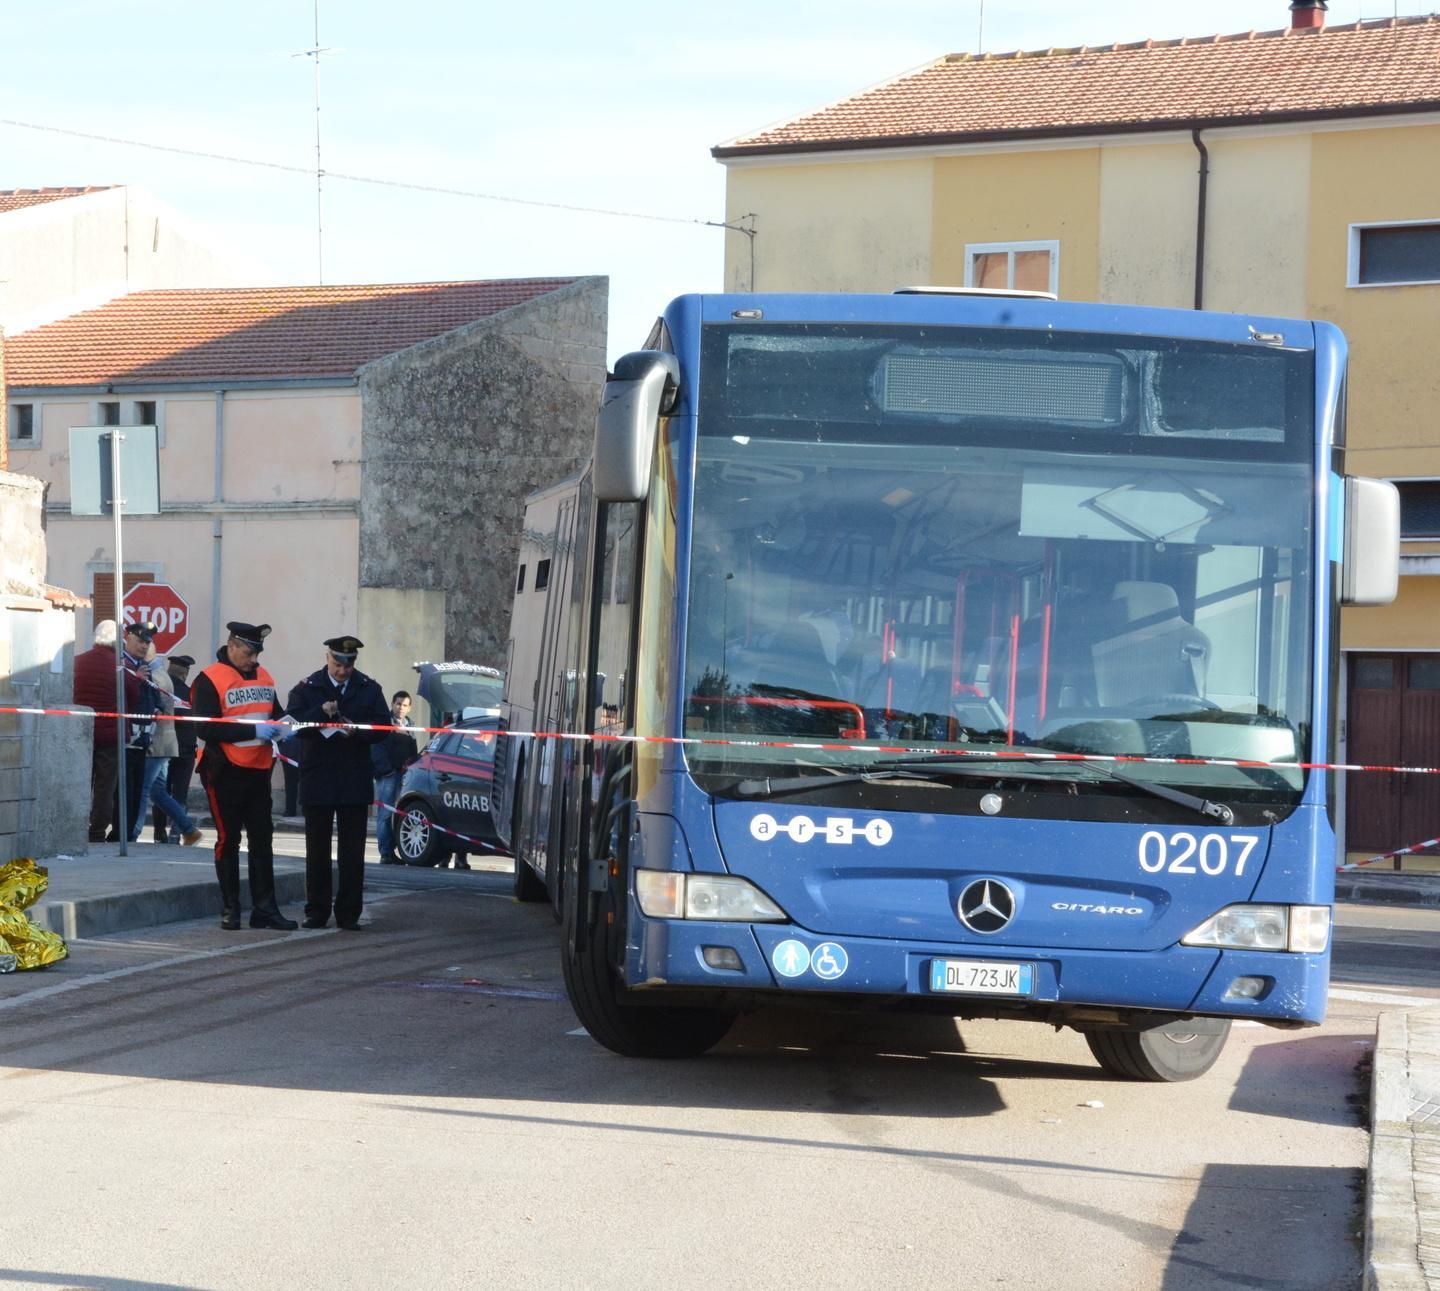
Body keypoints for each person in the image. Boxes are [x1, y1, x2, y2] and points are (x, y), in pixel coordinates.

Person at [192, 622, 298, 931]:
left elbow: (273, 712)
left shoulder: (265, 676)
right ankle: (231, 908)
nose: (254, 660)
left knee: (262, 839)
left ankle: (265, 909)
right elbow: (205, 727)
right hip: (223, 768)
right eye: (249, 653)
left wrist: (284, 727)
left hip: (259, 768)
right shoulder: (209, 678)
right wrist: (253, 730)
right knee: (229, 839)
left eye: (257, 653)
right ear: (233, 646)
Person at [286, 635, 389, 930]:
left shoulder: (368, 688)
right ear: (328, 658)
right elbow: (293, 725)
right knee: (317, 852)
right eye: (338, 664)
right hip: (318, 777)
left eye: (349, 664)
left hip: (353, 778)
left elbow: (383, 726)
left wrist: (358, 733)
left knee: (352, 853)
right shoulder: (309, 688)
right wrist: (320, 714)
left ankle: (348, 913)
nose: (343, 670)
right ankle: (316, 911)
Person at [72, 619, 139, 844]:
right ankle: (97, 831)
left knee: (80, 782)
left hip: (81, 732)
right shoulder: (122, 668)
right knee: (105, 787)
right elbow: (134, 698)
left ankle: (74, 826)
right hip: (111, 736)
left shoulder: (77, 662)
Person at [131, 641, 203, 846]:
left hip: (159, 743)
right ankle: (185, 831)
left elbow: (153, 709)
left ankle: (138, 833)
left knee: (147, 789)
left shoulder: (156, 679)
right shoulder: (188, 691)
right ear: (185, 673)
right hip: (182, 748)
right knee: (162, 791)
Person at [111, 620, 159, 842]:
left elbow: (151, 700)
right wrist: (136, 679)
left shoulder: (142, 667)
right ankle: (120, 832)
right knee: (124, 788)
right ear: (127, 637)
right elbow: (121, 696)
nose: (143, 646)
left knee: (136, 788)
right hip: (125, 736)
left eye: (147, 642)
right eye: (140, 640)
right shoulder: (121, 663)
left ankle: (128, 832)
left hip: (142, 738)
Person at [153, 655, 198, 843]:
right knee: (180, 793)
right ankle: (176, 833)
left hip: (164, 749)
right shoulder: (191, 694)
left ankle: (159, 833)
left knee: (161, 792)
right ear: (186, 673)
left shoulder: (160, 691)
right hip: (186, 751)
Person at [370, 690, 417, 865]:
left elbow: (412, 750)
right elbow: (376, 748)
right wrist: (387, 770)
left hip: (404, 775)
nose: (400, 708)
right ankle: (386, 853)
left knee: (398, 815)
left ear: (409, 708)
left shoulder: (410, 725)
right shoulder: (386, 722)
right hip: (388, 775)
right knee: (384, 815)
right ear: (392, 704)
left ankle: (393, 851)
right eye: (398, 704)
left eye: (404, 705)